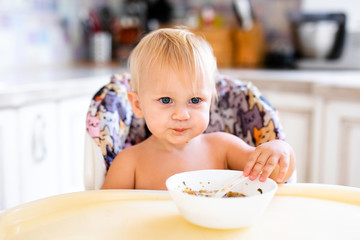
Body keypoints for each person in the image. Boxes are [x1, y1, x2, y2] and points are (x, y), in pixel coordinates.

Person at [101, 28, 295, 190]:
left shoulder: (223, 148)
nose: (181, 114)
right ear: (137, 105)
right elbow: (106, 213)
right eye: (166, 100)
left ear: (210, 100)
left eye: (195, 100)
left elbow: (277, 174)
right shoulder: (129, 163)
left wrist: (280, 150)